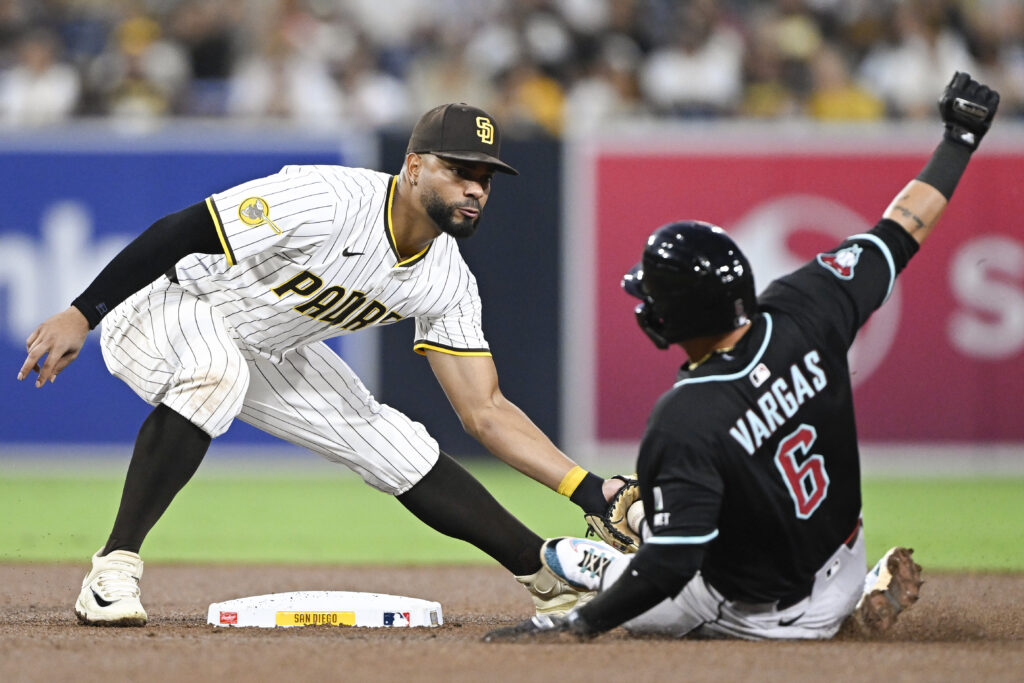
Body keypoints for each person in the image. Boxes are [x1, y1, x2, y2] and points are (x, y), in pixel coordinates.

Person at [17, 103, 619, 626]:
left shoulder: (446, 281)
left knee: (394, 445)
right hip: (169, 304)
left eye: (485, 178)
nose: (476, 190)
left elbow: (485, 410)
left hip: (270, 348)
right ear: (413, 166)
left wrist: (591, 490)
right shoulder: (330, 198)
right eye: (460, 171)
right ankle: (113, 569)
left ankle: (543, 572)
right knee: (214, 373)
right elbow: (183, 229)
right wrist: (83, 313)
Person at [485, 72, 998, 642]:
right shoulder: (810, 303)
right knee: (690, 502)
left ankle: (609, 568)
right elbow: (902, 227)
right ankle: (849, 590)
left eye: (652, 297)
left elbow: (671, 566)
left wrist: (577, 625)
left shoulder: (686, 416)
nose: (646, 306)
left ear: (676, 316)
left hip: (770, 613)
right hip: (842, 551)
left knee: (621, 579)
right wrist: (960, 139)